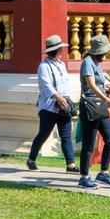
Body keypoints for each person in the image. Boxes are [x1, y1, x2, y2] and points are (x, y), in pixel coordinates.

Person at [26, 35, 77, 172]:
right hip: (48, 107)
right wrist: (57, 97)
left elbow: (65, 84)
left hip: (63, 105)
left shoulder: (61, 65)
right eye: (61, 48)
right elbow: (45, 84)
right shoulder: (44, 66)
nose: (62, 50)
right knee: (43, 134)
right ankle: (31, 159)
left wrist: (65, 99)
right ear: (57, 49)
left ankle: (70, 164)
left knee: (66, 135)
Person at [77, 34, 110, 189]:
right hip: (90, 106)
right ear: (97, 51)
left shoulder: (97, 63)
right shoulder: (87, 62)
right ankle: (84, 177)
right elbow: (91, 85)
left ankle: (103, 173)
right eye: (104, 52)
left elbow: (100, 84)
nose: (106, 54)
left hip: (100, 106)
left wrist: (109, 88)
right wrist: (107, 99)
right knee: (88, 143)